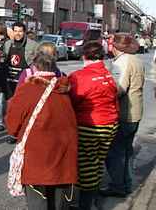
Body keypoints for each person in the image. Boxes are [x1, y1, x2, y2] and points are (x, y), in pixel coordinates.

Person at [5, 53, 78, 210]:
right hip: (64, 154)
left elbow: (12, 124)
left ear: (34, 67)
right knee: (58, 201)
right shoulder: (64, 89)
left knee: (38, 200)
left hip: (37, 155)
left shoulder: (28, 89)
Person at [68, 41, 119, 210]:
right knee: (98, 162)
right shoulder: (108, 75)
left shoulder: (79, 77)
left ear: (84, 56)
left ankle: (85, 205)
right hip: (110, 124)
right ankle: (95, 202)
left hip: (89, 125)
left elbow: (72, 101)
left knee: (86, 166)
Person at [101, 34, 145, 197]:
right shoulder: (137, 60)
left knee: (115, 152)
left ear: (115, 47)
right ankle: (125, 183)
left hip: (124, 113)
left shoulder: (123, 62)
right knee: (126, 151)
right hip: (136, 112)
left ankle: (118, 186)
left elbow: (119, 89)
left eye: (111, 44)